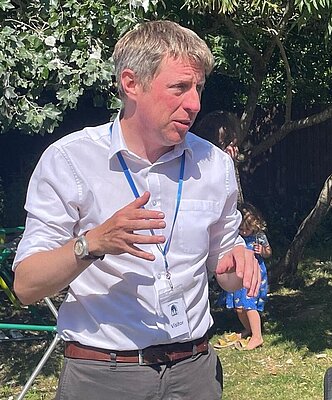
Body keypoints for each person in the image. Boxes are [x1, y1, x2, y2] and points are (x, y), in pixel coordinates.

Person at [12, 20, 260, 400]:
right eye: (179, 87)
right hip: (103, 375)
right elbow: (27, 285)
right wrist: (93, 243)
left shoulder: (214, 164)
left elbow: (223, 268)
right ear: (131, 84)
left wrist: (236, 263)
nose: (194, 104)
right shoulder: (70, 161)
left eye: (198, 89)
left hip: (195, 372)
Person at [218, 202, 270, 350]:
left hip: (253, 274)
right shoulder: (234, 238)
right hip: (238, 276)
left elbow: (268, 252)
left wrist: (262, 251)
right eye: (241, 229)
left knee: (249, 305)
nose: (244, 232)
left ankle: (257, 336)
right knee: (239, 307)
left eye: (247, 229)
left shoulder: (259, 237)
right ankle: (248, 329)